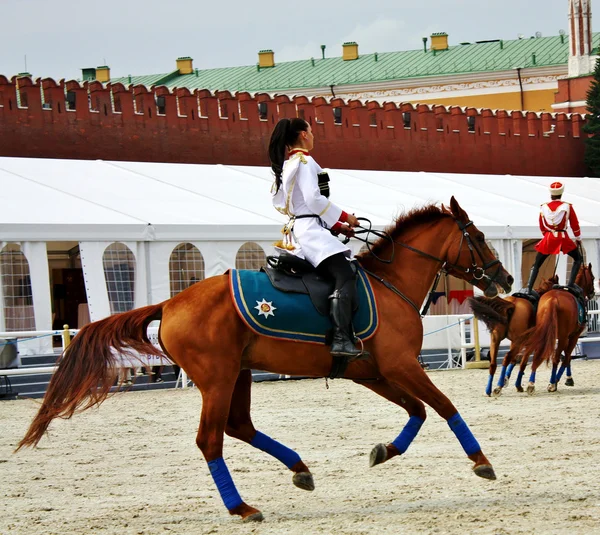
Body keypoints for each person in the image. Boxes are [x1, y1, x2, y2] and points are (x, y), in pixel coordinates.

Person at [269, 117, 367, 360]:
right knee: (344, 274)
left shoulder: (288, 164)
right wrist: (346, 217)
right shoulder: (305, 161)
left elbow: (297, 205)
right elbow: (313, 199)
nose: (313, 136)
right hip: (310, 232)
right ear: (303, 134)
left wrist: (337, 226)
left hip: (298, 229)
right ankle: (342, 339)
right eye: (311, 132)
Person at [523, 181, 582, 295]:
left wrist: (547, 236)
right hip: (563, 238)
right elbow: (575, 224)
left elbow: (542, 225)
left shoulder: (543, 207)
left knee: (536, 264)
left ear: (551, 194)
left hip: (549, 237)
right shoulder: (567, 206)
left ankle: (529, 289)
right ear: (561, 193)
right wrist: (578, 238)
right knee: (578, 259)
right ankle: (570, 285)